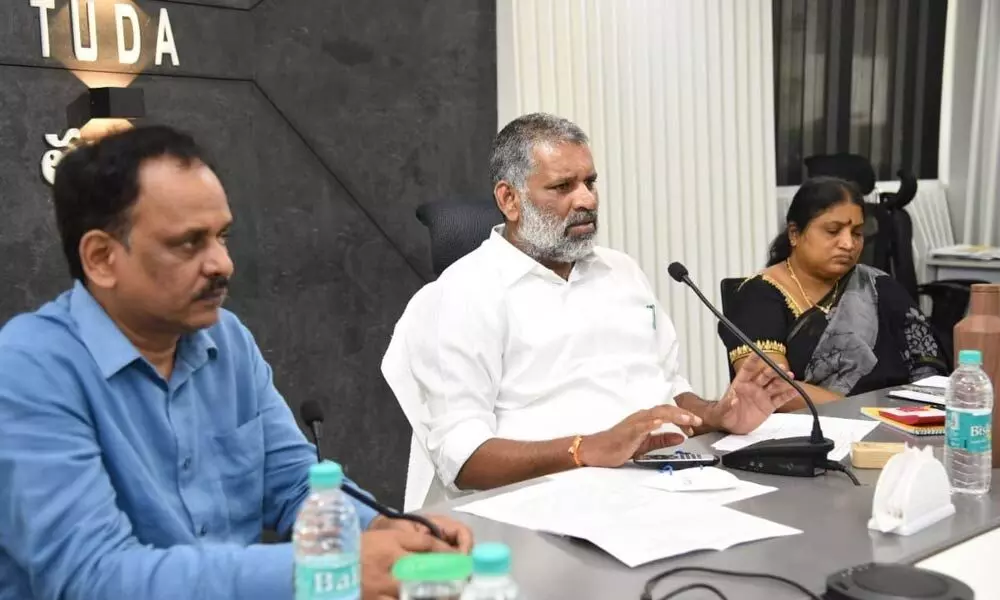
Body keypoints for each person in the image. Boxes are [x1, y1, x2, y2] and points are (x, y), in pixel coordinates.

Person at [0, 125, 472, 600]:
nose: (222, 264)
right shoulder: (29, 369)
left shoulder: (226, 339)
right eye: (189, 243)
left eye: (222, 237)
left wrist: (393, 533)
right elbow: (93, 578)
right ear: (102, 257)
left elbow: (294, 486)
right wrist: (323, 571)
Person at [387, 113, 798, 494]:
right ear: (509, 200)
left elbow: (668, 392)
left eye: (590, 182)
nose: (587, 199)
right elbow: (462, 458)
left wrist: (718, 414)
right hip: (540, 503)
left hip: (659, 486)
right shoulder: (462, 293)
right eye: (563, 187)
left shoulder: (622, 272)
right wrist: (586, 449)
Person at [719, 176, 948, 409]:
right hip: (808, 434)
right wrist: (868, 413)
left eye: (857, 233)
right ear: (794, 234)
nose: (848, 244)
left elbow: (929, 370)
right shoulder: (757, 295)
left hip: (902, 427)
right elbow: (768, 387)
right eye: (833, 231)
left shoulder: (879, 286)